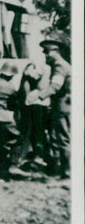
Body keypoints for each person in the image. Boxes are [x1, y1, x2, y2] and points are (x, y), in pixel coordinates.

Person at [37, 38, 71, 178]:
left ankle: (67, 172)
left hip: (63, 106)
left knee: (63, 139)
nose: (45, 55)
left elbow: (55, 86)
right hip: (63, 105)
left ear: (56, 51)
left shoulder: (59, 65)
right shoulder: (61, 64)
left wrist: (39, 96)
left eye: (47, 52)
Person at [0, 62, 21, 182]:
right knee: (15, 138)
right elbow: (14, 104)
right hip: (2, 115)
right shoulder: (10, 86)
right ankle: (13, 165)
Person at [16, 62, 50, 172]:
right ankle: (37, 156)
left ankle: (36, 156)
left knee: (34, 131)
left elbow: (31, 75)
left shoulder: (42, 69)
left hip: (35, 104)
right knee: (37, 132)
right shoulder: (46, 68)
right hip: (38, 103)